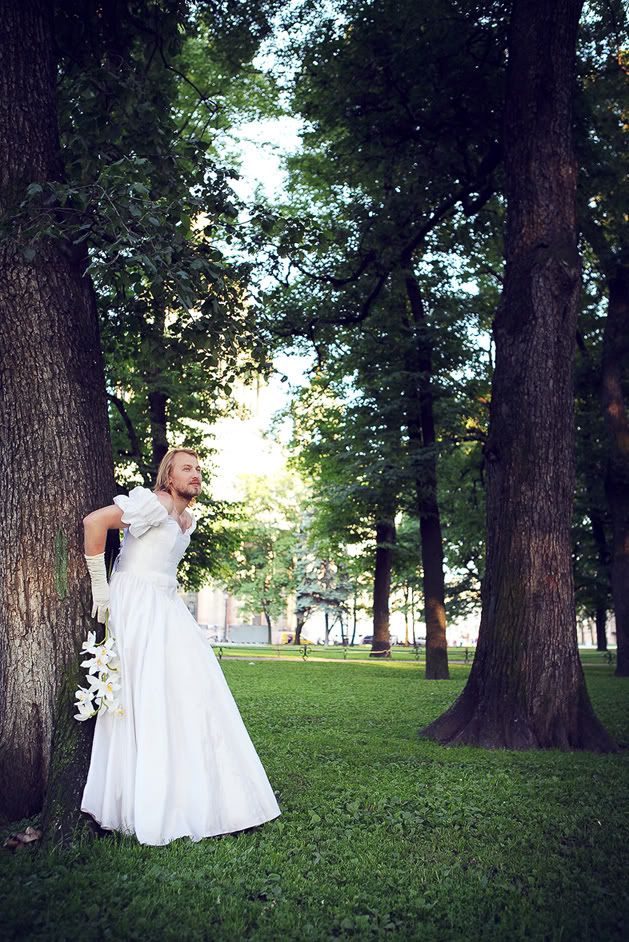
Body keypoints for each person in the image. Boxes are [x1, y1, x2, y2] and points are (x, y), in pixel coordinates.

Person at [80, 448, 281, 846]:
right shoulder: (151, 504)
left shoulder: (187, 520)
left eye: (199, 469)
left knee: (194, 689)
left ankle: (207, 796)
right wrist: (99, 586)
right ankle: (139, 800)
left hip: (167, 606)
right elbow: (94, 522)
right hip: (135, 605)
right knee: (143, 694)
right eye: (187, 469)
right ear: (168, 476)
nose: (196, 475)